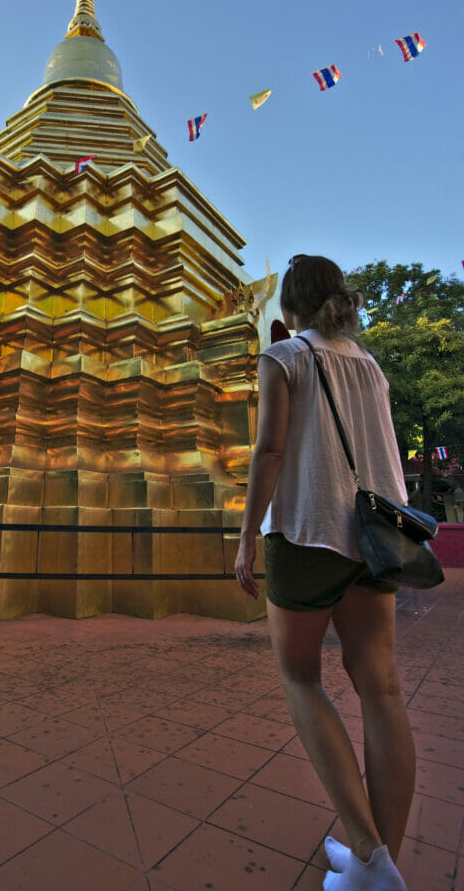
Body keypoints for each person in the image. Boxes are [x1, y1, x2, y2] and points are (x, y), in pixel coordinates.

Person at [235, 255, 413, 891]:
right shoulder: (369, 364)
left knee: (300, 677)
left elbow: (272, 450)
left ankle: (369, 855)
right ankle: (379, 863)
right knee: (382, 691)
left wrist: (245, 536)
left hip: (307, 530)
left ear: (289, 307)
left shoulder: (284, 357)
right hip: (377, 538)